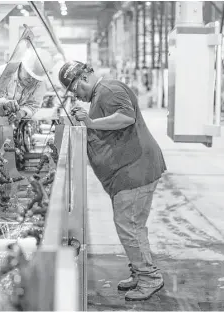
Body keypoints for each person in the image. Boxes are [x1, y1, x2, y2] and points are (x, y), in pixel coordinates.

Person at [58, 61, 167, 301]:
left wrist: (91, 123)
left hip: (134, 171)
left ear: (81, 80)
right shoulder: (99, 96)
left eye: (75, 89)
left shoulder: (108, 90)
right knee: (133, 227)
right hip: (127, 173)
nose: (76, 95)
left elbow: (126, 117)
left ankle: (149, 278)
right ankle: (140, 272)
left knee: (129, 227)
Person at [0, 48, 52, 122]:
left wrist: (21, 113)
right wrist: (4, 104)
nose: (31, 79)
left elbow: (34, 105)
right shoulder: (2, 74)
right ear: (22, 65)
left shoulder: (40, 80)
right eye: (29, 74)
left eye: (35, 78)